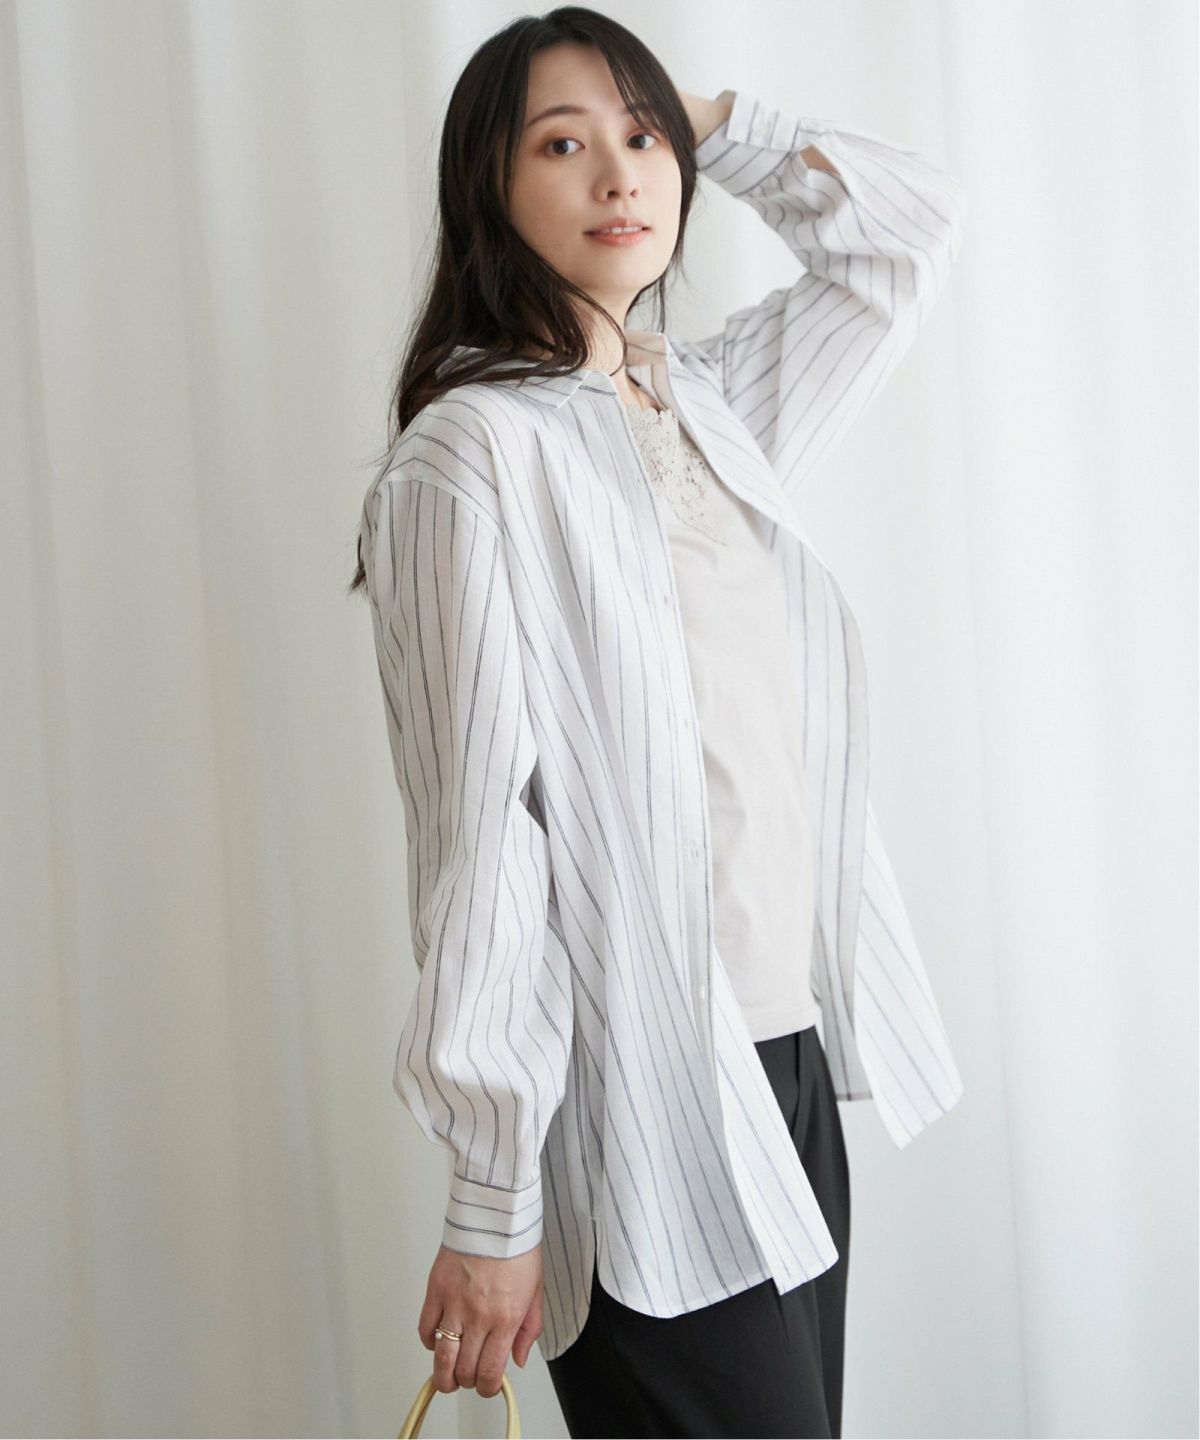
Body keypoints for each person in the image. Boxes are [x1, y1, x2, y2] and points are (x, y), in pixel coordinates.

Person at [351, 7, 966, 1437]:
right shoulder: (470, 455)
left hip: (787, 1052)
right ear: (488, 187)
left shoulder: (709, 402)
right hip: (636, 1096)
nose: (620, 173)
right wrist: (494, 1195)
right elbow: (482, 839)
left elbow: (906, 237)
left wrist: (712, 119)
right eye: (561, 146)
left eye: (640, 139)